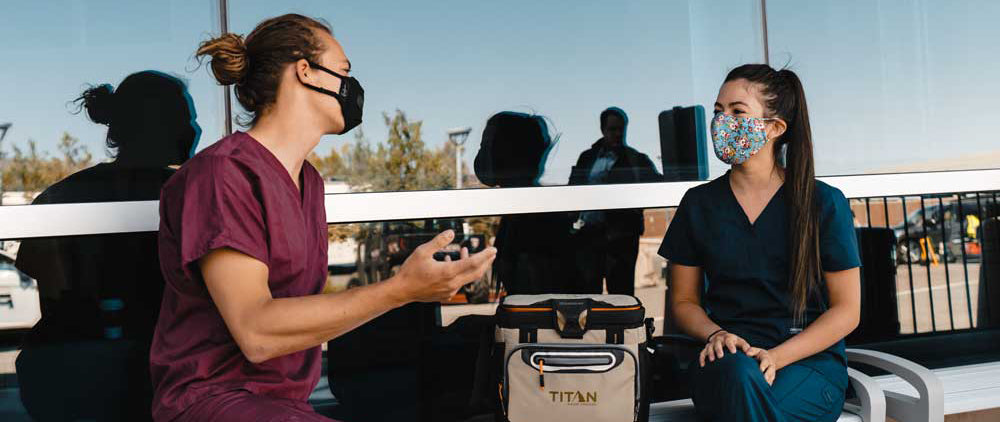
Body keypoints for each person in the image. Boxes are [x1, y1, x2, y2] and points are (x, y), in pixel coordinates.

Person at [151, 14, 495, 422]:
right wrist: (401, 289)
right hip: (216, 401)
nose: (353, 88)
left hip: (284, 405)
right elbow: (256, 332)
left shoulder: (308, 182)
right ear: (304, 72)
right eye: (344, 72)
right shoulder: (222, 175)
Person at [659, 64, 861, 422]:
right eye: (718, 111)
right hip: (725, 364)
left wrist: (775, 357)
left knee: (746, 406)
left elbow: (847, 311)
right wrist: (717, 334)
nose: (722, 121)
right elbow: (684, 302)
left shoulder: (823, 203)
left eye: (737, 112)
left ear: (774, 128)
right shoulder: (699, 204)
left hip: (806, 365)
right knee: (739, 379)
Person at [15, 71, 200, 421]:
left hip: (62, 377)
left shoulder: (62, 195)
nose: (194, 128)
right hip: (147, 380)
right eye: (185, 117)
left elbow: (46, 283)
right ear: (158, 125)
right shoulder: (192, 195)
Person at [474, 111, 578, 294]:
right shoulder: (520, 212)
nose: (480, 154)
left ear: (505, 152)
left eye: (486, 145)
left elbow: (534, 303)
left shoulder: (533, 218)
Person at [569, 107, 661, 295]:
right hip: (589, 236)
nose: (618, 134)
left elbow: (657, 185)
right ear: (603, 130)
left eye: (621, 129)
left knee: (620, 297)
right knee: (587, 297)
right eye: (613, 129)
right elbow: (573, 191)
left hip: (621, 239)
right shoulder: (587, 158)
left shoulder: (635, 159)